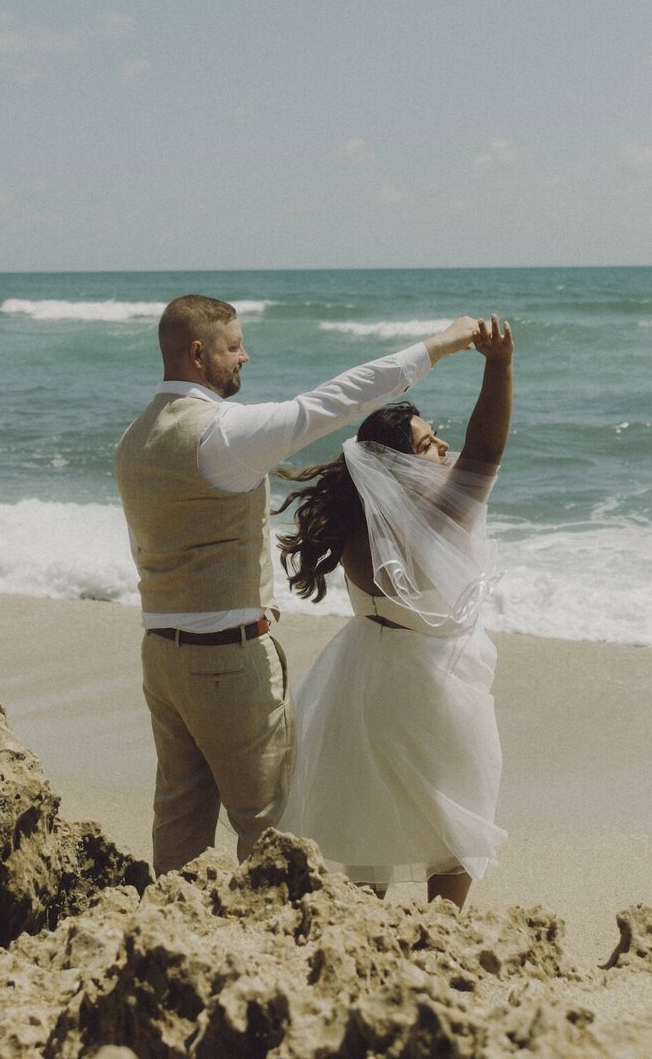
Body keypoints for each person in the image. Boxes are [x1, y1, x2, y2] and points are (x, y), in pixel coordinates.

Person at [114, 293, 483, 876]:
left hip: (160, 654)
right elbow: (332, 402)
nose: (246, 357)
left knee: (179, 822)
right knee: (269, 828)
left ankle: (172, 941)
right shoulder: (223, 435)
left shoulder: (132, 442)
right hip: (226, 660)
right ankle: (273, 951)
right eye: (234, 346)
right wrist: (437, 345)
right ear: (197, 353)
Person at [275, 313, 513, 908]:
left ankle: (365, 936)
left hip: (361, 677)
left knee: (367, 817)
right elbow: (487, 447)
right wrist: (499, 366)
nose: (445, 450)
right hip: (433, 685)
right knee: (456, 816)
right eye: (430, 445)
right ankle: (443, 935)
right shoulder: (437, 515)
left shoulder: (357, 521)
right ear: (397, 466)